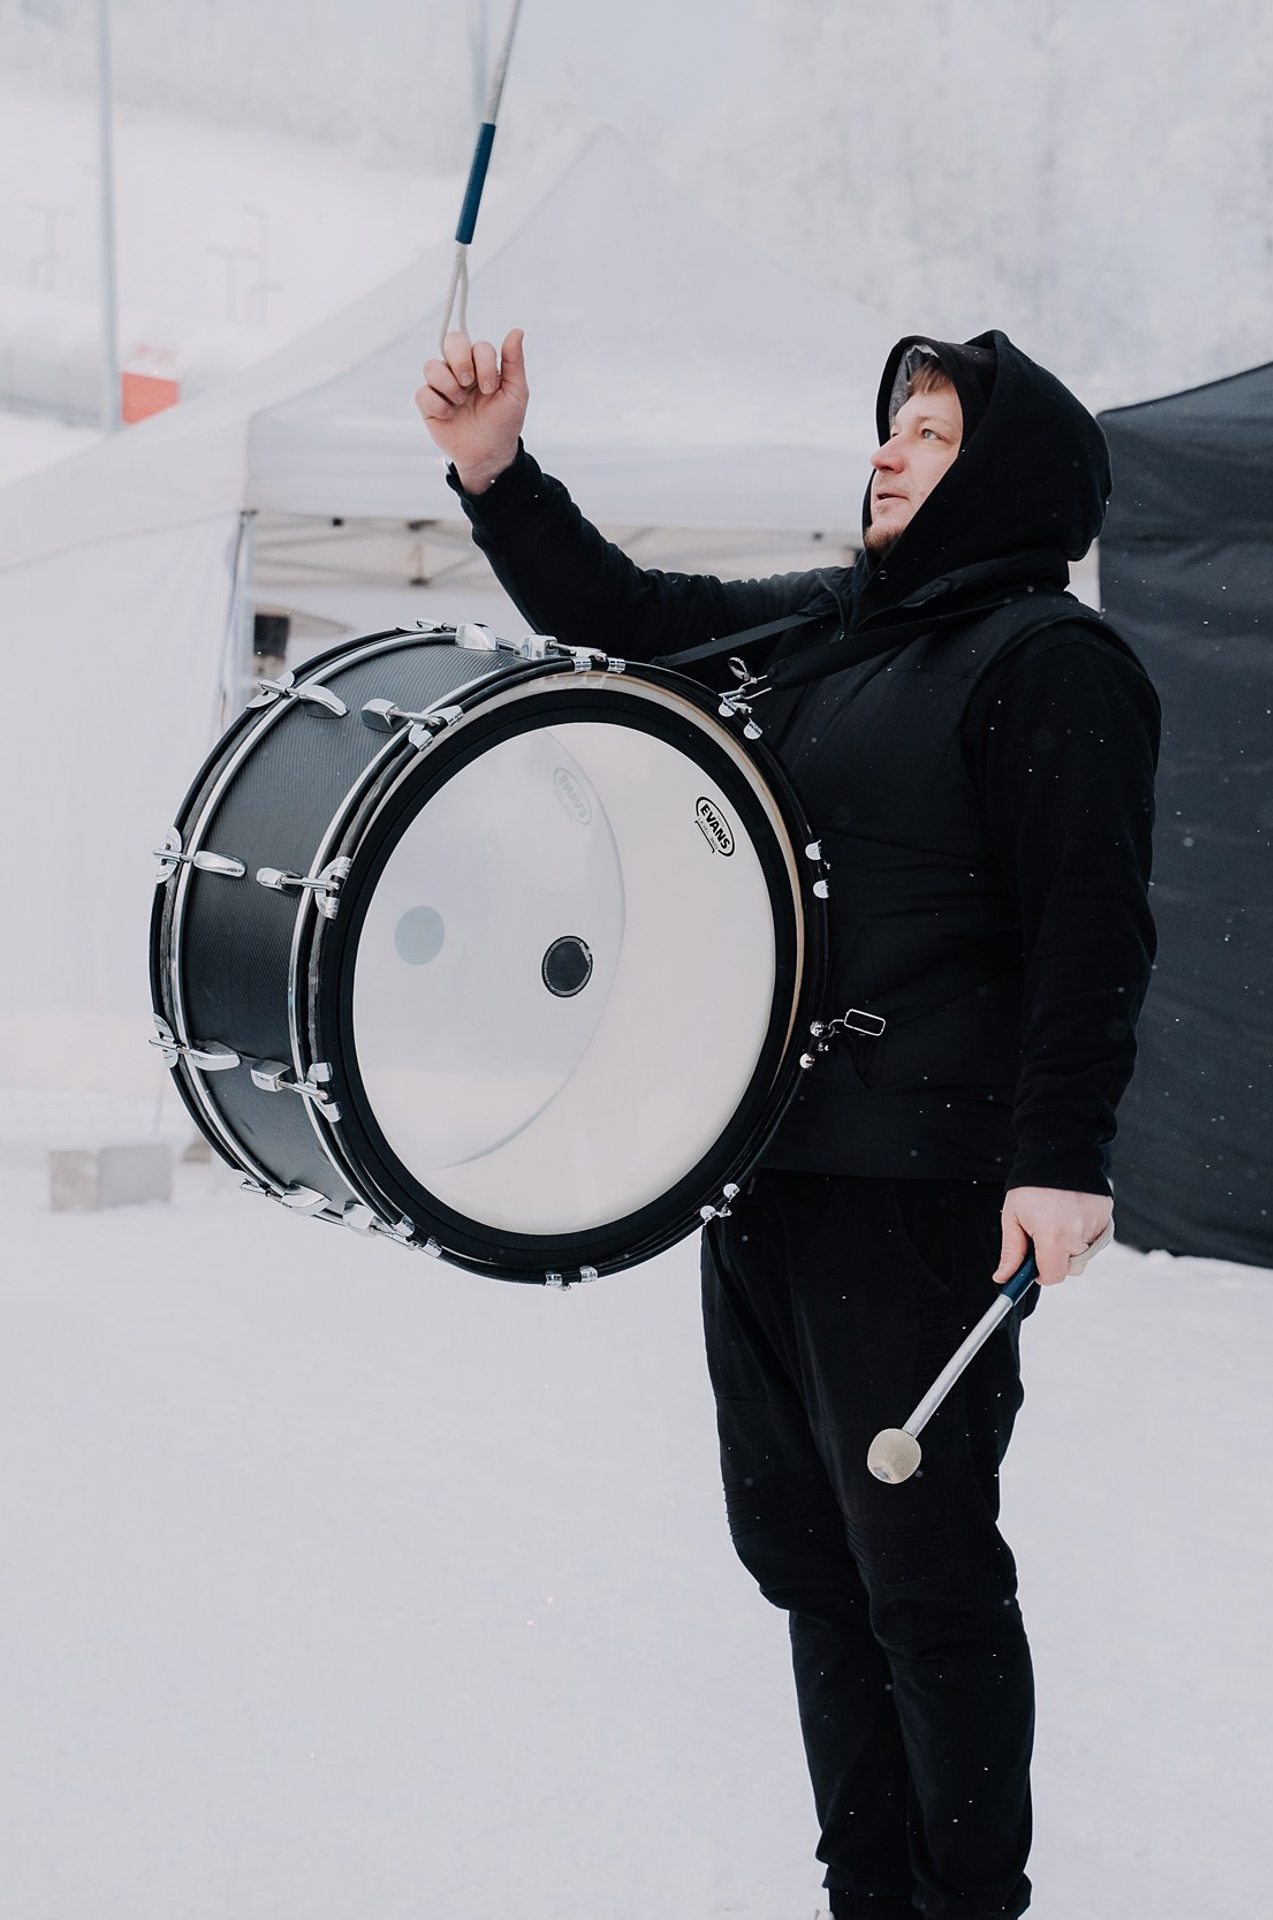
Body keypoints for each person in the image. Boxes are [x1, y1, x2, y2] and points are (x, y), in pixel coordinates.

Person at [416, 326, 1158, 1919]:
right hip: (764, 1168)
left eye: (934, 435)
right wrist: (495, 470)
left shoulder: (1049, 660)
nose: (889, 452)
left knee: (924, 1576)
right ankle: (866, 1895)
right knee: (812, 1563)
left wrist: (1061, 1157)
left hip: (922, 1190)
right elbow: (629, 621)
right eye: (893, 425)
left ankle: (968, 1902)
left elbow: (1093, 930)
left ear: (1011, 477)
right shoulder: (831, 628)